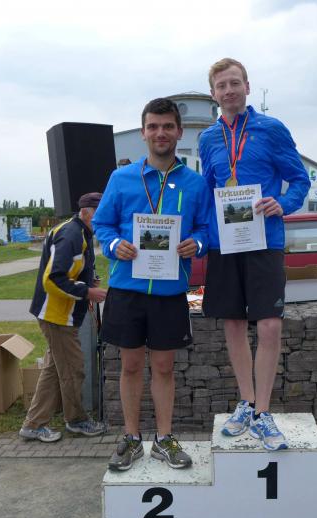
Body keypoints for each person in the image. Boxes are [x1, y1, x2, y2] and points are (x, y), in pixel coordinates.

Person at [93, 97, 210, 471]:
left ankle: (163, 438)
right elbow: (102, 224)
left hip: (170, 291)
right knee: (129, 366)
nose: (161, 133)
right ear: (143, 132)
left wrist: (198, 244)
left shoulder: (195, 183)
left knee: (163, 367)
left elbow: (206, 228)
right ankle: (131, 438)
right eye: (153, 126)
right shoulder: (121, 178)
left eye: (168, 126)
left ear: (179, 132)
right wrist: (114, 244)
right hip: (127, 288)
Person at [199, 58, 310, 451]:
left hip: (265, 240)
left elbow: (300, 179)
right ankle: (246, 403)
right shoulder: (208, 138)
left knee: (269, 327)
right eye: (221, 86)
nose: (228, 91)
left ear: (247, 86)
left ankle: (263, 412)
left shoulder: (272, 129)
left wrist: (284, 203)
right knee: (232, 324)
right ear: (213, 94)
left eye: (235, 83)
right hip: (224, 243)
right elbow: (207, 189)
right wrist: (201, 235)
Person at [18, 192, 108, 443]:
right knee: (73, 369)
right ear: (86, 212)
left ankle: (33, 424)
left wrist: (88, 280)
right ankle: (76, 420)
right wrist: (87, 291)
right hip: (57, 316)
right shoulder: (71, 235)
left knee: (54, 370)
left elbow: (71, 269)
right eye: (100, 211)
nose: (104, 216)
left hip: (59, 314)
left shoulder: (80, 231)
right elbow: (53, 278)